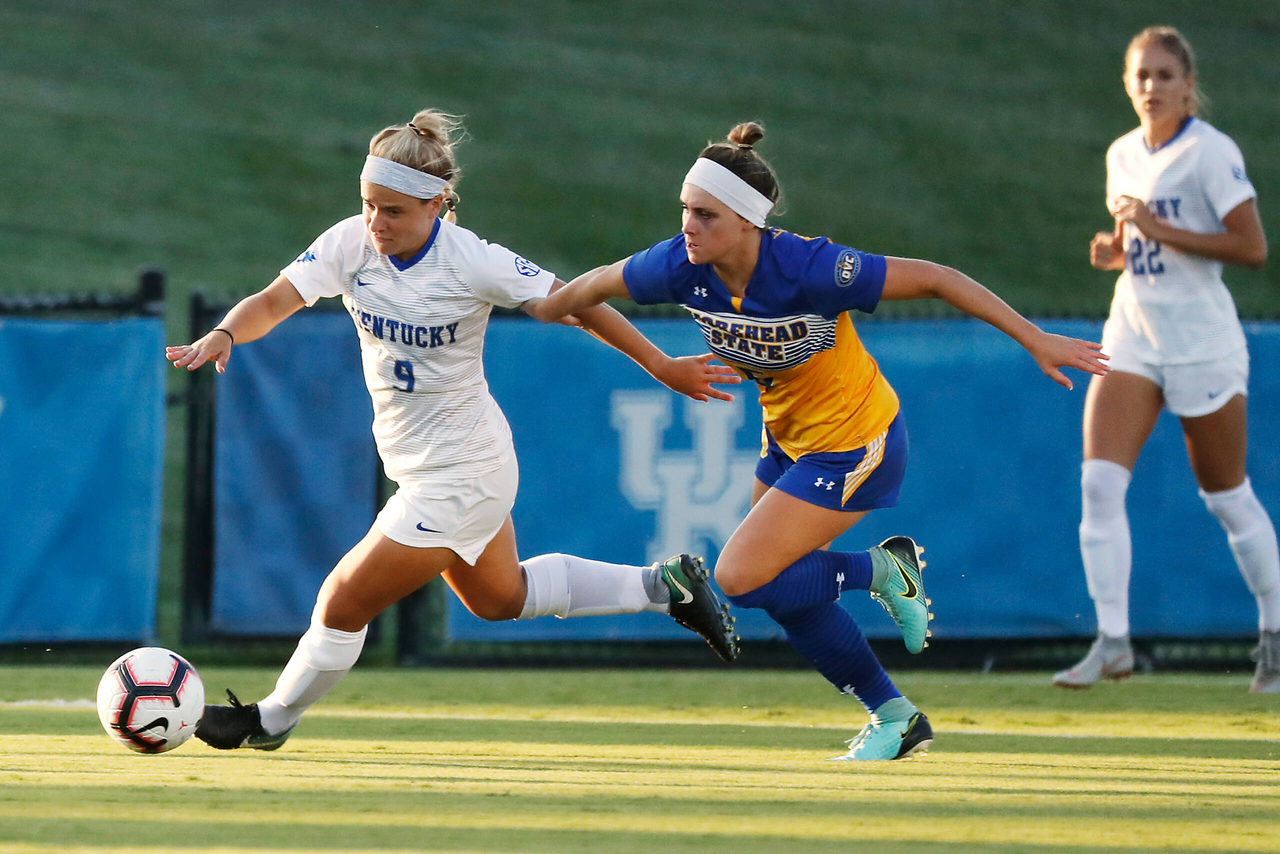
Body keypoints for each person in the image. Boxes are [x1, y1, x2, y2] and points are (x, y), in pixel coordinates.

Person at [525, 121, 1109, 759]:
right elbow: (589, 288)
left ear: (748, 221)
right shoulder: (678, 265)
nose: (687, 225)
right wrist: (538, 306)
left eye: (705, 214)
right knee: (779, 588)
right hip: (788, 440)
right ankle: (894, 717)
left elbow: (939, 278)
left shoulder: (811, 268)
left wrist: (1034, 338)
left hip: (859, 441)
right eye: (685, 209)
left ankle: (881, 570)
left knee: (739, 577)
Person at [167, 110, 743, 751]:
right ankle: (663, 587)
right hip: (431, 466)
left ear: (436, 204)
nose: (377, 222)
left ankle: (268, 720)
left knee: (342, 601)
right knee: (499, 599)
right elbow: (275, 300)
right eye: (368, 204)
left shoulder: (472, 260)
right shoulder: (351, 244)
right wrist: (225, 331)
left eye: (394, 211)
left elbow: (575, 303)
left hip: (462, 472)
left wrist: (661, 364)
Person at [1052, 27, 1276, 692]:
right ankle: (1113, 642)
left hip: (1201, 342)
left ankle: (1275, 636)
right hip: (1134, 333)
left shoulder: (1211, 151)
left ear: (1188, 86)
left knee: (1226, 497)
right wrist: (1118, 252)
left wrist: (1159, 229)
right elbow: (1139, 243)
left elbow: (1252, 248)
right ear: (1127, 84)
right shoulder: (1122, 153)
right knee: (1098, 483)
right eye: (1141, 75)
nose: (1152, 86)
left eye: (1165, 75)